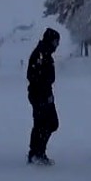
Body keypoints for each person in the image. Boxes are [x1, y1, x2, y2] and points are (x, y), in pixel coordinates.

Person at [27, 27, 60, 165]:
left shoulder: (46, 54)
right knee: (42, 123)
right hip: (39, 95)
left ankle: (39, 151)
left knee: (50, 123)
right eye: (56, 42)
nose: (57, 45)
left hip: (46, 94)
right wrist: (43, 91)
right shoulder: (40, 54)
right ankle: (35, 153)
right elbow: (32, 75)